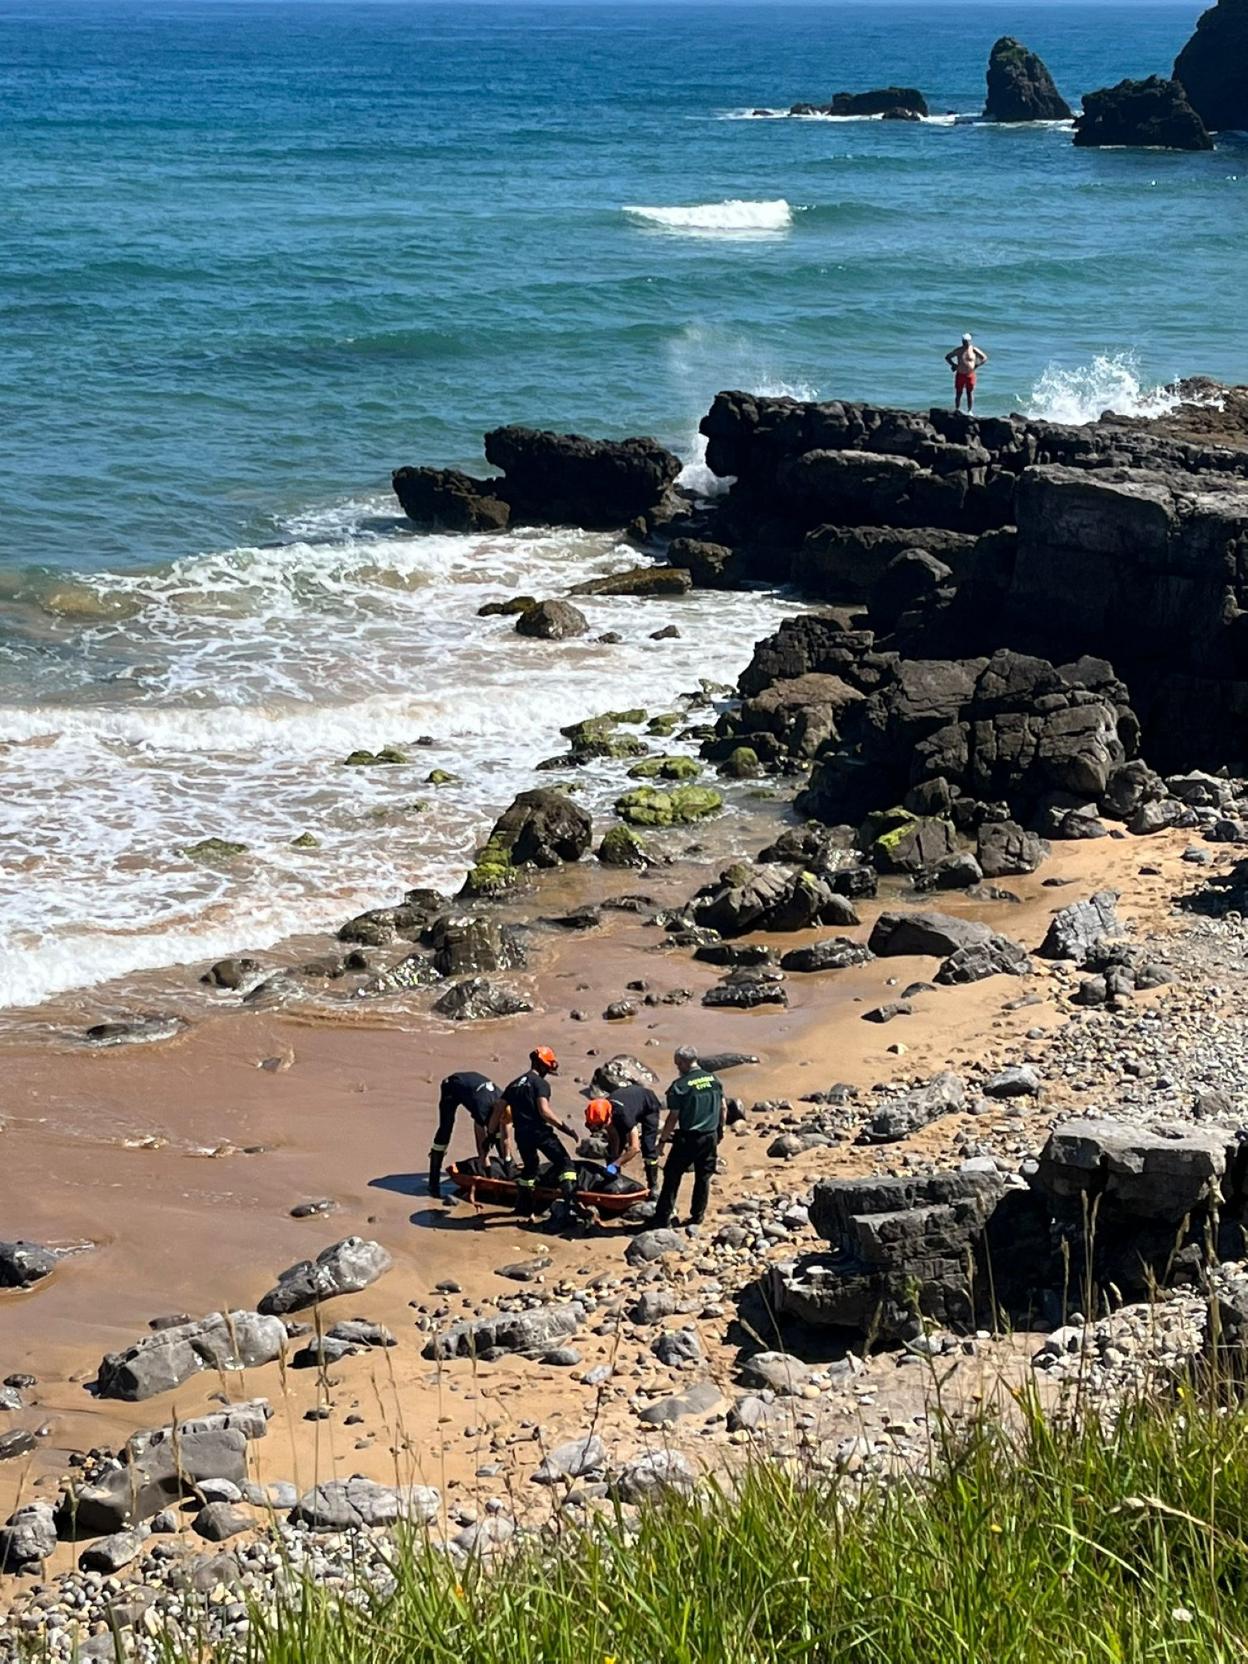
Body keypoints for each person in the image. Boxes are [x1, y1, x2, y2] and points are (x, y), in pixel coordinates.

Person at [500, 1047, 579, 1217]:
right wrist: (566, 1129)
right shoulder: (540, 1084)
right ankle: (570, 1206)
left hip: (521, 1135)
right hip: (539, 1132)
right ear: (543, 1066)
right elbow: (544, 1111)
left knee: (530, 1169)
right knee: (565, 1164)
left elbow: (498, 1111)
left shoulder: (513, 1085)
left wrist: (491, 1134)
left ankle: (523, 1208)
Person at [652, 1046, 725, 1229]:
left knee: (672, 1176)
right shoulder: (713, 1079)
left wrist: (662, 1142)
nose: (677, 1068)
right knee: (703, 1176)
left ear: (684, 1063)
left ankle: (662, 1218)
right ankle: (697, 1216)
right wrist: (720, 1130)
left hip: (688, 1138)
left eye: (678, 1064)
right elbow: (723, 1107)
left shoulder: (680, 1086)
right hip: (710, 1135)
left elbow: (673, 1117)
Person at [427, 1070, 507, 1198]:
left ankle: (505, 1169)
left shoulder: (505, 1103)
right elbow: (480, 1143)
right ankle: (433, 1183)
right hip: (452, 1086)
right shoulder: (482, 1110)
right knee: (445, 1129)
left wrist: (508, 1160)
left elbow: (505, 1137)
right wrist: (487, 1169)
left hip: (474, 1085)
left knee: (497, 1134)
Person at [585, 1079, 664, 1193]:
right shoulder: (601, 1109)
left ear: (608, 1117)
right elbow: (613, 1135)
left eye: (600, 1126)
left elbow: (634, 1148)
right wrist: (614, 1157)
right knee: (613, 1150)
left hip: (648, 1104)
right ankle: (614, 1180)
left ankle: (653, 1186)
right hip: (630, 1102)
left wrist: (616, 1164)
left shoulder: (624, 1116)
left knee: (648, 1148)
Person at [945, 331, 988, 412]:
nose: (966, 343)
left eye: (967, 341)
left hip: (970, 374)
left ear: (970, 341)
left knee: (969, 393)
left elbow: (984, 358)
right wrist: (954, 365)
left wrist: (976, 365)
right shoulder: (959, 350)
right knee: (959, 393)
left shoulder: (974, 349)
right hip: (960, 374)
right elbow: (947, 357)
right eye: (964, 341)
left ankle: (969, 411)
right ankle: (957, 409)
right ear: (962, 341)